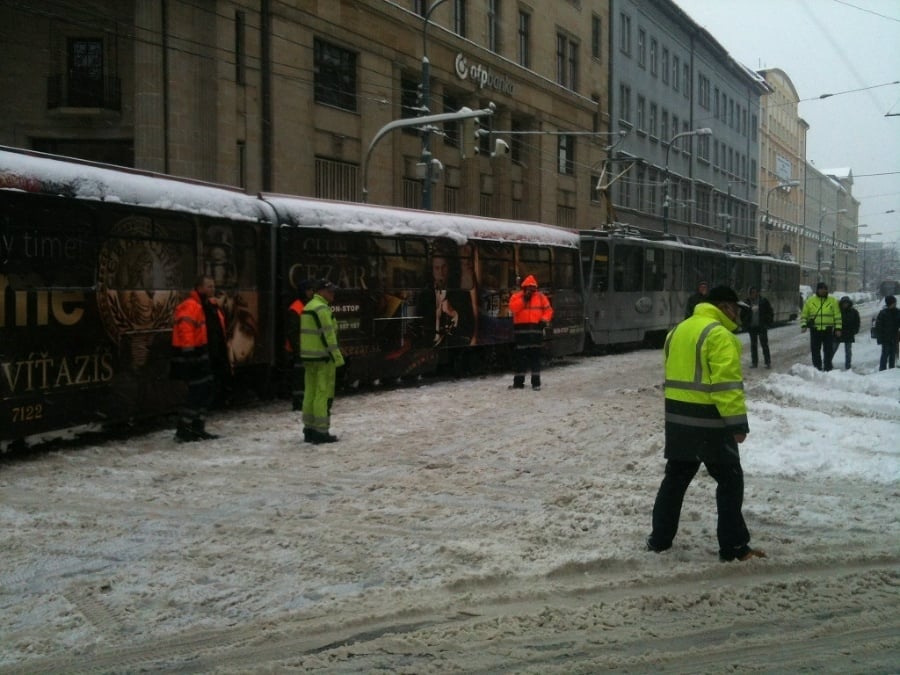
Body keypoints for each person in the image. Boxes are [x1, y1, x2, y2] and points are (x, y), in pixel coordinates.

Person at [647, 285, 766, 562]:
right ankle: (734, 548)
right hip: (709, 422)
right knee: (730, 482)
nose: (738, 314)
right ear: (724, 307)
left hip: (678, 419)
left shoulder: (678, 330)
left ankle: (659, 540)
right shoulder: (719, 335)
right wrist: (737, 424)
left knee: (675, 480)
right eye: (736, 308)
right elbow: (726, 386)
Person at [170, 275, 221, 442]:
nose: (212, 289)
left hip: (203, 355)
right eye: (209, 286)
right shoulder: (192, 306)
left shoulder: (206, 306)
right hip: (195, 357)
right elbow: (186, 331)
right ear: (199, 287)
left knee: (205, 390)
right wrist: (189, 354)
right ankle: (184, 428)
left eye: (213, 286)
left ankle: (197, 426)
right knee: (198, 391)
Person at [300, 279, 344, 444]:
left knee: (309, 392)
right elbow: (329, 336)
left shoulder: (308, 307)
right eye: (330, 291)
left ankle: (309, 428)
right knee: (322, 394)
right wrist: (338, 358)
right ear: (321, 292)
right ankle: (321, 432)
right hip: (323, 357)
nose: (333, 294)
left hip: (309, 357)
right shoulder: (321, 308)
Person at [508, 275, 553, 391]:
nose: (531, 291)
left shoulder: (541, 297)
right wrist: (524, 299)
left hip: (534, 334)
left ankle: (536, 383)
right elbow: (513, 308)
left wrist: (544, 320)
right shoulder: (517, 297)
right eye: (529, 289)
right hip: (522, 334)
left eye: (532, 289)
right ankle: (518, 383)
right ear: (524, 288)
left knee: (534, 359)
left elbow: (549, 310)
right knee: (521, 359)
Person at [285, 279, 314, 411]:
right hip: (301, 349)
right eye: (309, 290)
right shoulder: (297, 307)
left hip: (307, 347)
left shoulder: (304, 305)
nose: (311, 292)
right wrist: (299, 348)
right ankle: (298, 403)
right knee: (300, 378)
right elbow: (292, 332)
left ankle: (303, 402)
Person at [800, 282, 842, 371]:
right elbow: (804, 315)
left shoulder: (833, 301)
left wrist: (838, 328)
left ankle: (828, 367)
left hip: (828, 330)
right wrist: (804, 325)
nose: (823, 291)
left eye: (825, 289)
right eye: (821, 289)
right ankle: (817, 368)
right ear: (817, 290)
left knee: (828, 351)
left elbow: (837, 316)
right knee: (815, 350)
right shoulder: (810, 301)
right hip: (815, 330)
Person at [740, 287, 774, 369]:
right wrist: (745, 323)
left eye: (755, 292)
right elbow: (742, 314)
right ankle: (754, 362)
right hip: (752, 327)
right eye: (752, 293)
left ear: (758, 293)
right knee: (753, 345)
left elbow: (770, 312)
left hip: (761, 326)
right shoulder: (747, 302)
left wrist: (767, 323)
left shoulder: (763, 301)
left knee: (764, 344)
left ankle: (767, 362)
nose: (753, 294)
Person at [831, 296, 860, 370]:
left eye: (846, 303)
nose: (845, 304)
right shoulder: (837, 311)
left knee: (848, 351)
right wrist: (835, 330)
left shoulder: (854, 312)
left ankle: (848, 365)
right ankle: (828, 362)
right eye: (844, 303)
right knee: (833, 348)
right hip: (838, 332)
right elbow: (833, 321)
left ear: (849, 303)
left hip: (849, 333)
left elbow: (857, 322)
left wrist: (855, 331)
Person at [873, 295, 900, 371]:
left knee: (892, 355)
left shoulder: (897, 312)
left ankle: (891, 370)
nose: (895, 304)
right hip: (885, 338)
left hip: (894, 337)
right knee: (885, 355)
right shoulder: (883, 313)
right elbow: (878, 327)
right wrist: (880, 338)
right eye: (893, 303)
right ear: (889, 303)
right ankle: (882, 370)